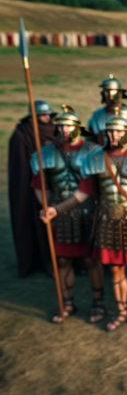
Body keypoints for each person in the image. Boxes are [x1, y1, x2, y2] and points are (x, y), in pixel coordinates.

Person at [43, 113, 127, 332]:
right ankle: (122, 312)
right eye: (110, 131)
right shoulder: (96, 158)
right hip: (108, 221)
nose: (114, 135)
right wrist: (56, 209)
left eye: (118, 131)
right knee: (116, 270)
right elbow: (82, 194)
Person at [31, 105, 104, 323]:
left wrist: (55, 209)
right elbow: (39, 185)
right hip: (59, 217)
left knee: (92, 260)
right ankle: (67, 303)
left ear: (77, 127)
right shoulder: (46, 153)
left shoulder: (92, 152)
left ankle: (98, 304)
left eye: (68, 126)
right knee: (62, 260)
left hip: (86, 213)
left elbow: (86, 191)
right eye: (60, 126)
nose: (64, 130)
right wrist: (46, 206)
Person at [8, 100, 55, 277]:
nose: (47, 117)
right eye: (42, 115)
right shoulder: (22, 134)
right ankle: (41, 261)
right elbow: (19, 166)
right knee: (37, 224)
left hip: (54, 184)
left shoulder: (54, 130)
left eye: (48, 114)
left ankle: (61, 261)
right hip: (31, 187)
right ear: (32, 117)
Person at [88, 75, 127, 143]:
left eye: (108, 91)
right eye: (105, 92)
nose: (106, 95)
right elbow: (90, 142)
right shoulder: (97, 116)